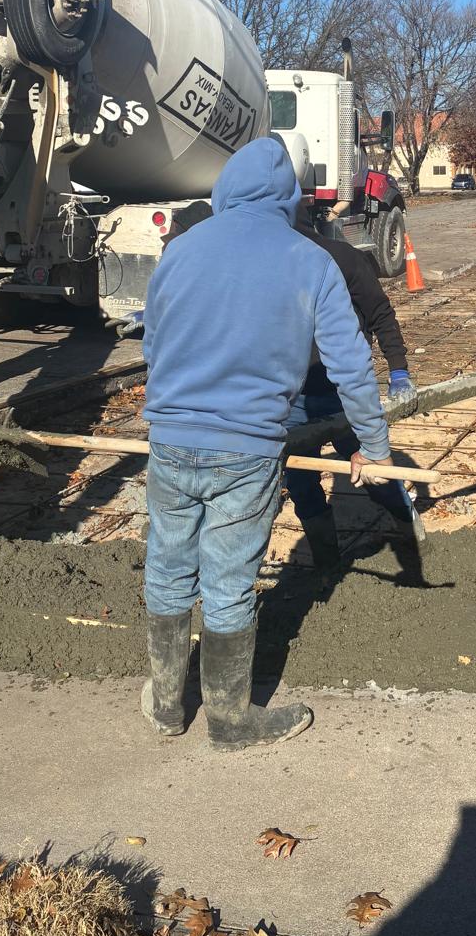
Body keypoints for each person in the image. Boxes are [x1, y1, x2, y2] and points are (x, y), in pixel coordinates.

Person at [140, 136, 392, 751]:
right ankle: (230, 720)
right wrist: (375, 447)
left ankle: (168, 706)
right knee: (227, 580)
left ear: (225, 188)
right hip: (246, 447)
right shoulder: (309, 261)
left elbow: (152, 342)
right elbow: (351, 366)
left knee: (169, 567)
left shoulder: (181, 249)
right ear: (289, 196)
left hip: (170, 441)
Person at [285, 203, 422, 586]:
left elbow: (380, 312)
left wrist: (398, 367)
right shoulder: (272, 266)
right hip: (293, 395)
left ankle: (411, 532)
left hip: (344, 391)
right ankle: (328, 563)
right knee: (299, 479)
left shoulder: (342, 258)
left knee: (375, 470)